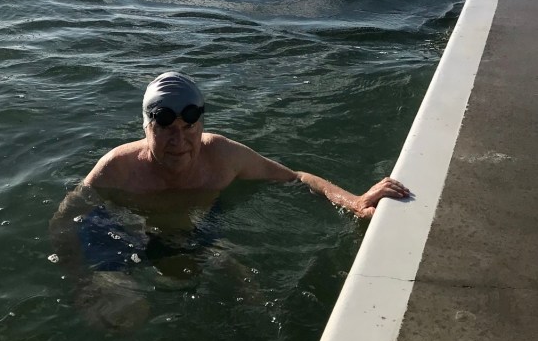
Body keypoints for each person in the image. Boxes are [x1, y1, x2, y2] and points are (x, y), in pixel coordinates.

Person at [50, 72, 410, 327]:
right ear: (146, 128)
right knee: (125, 313)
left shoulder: (221, 156)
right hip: (127, 231)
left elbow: (296, 177)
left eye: (188, 127)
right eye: (165, 129)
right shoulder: (118, 168)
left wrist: (355, 202)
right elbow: (64, 218)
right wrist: (80, 279)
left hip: (195, 227)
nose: (179, 141)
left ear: (201, 124)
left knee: (253, 298)